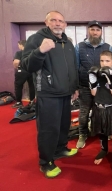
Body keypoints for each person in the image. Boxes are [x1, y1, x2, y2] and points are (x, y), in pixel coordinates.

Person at [22, 11, 79, 178]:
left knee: (63, 125)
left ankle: (60, 149)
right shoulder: (37, 39)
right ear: (46, 23)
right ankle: (45, 161)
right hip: (47, 93)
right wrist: (40, 51)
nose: (57, 23)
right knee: (48, 129)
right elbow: (27, 65)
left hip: (65, 92)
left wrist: (74, 87)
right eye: (53, 20)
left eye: (61, 21)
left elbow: (72, 67)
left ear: (65, 24)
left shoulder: (67, 42)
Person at [75, 20, 112, 149]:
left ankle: (104, 132)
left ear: (101, 32)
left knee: (103, 111)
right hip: (85, 86)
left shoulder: (108, 47)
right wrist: (75, 87)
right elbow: (75, 67)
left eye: (97, 30)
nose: (95, 32)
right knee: (84, 112)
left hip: (102, 87)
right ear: (88, 31)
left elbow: (111, 67)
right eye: (92, 29)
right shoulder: (79, 46)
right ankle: (82, 134)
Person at [88, 50, 112, 179]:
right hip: (98, 107)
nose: (104, 63)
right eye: (102, 61)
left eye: (107, 61)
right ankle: (103, 150)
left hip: (110, 109)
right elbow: (93, 93)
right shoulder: (97, 74)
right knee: (101, 131)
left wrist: (111, 79)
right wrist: (93, 81)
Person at [12, 40, 35, 108]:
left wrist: (17, 67)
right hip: (32, 71)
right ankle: (32, 102)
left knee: (18, 86)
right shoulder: (32, 52)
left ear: (21, 45)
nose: (18, 46)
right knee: (32, 86)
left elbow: (16, 62)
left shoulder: (19, 53)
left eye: (18, 45)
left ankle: (19, 102)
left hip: (22, 71)